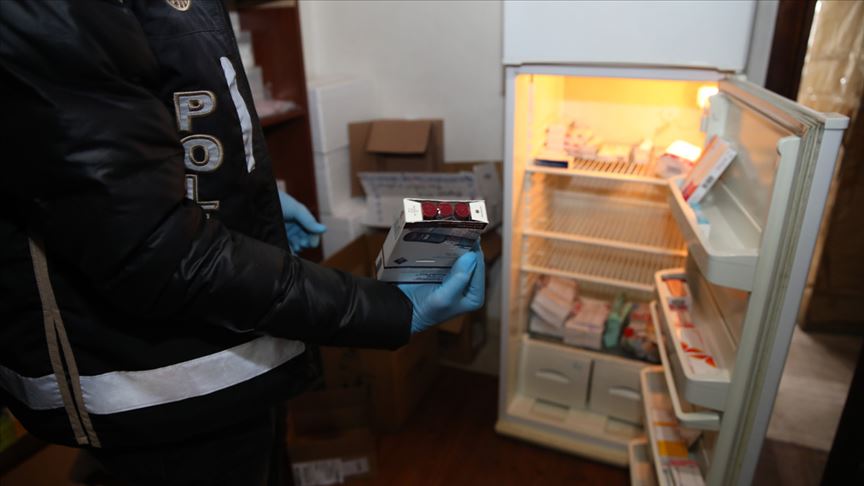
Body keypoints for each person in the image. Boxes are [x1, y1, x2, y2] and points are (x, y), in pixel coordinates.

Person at [0, 1, 484, 485]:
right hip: (155, 394)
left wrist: (247, 199)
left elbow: (163, 127)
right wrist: (388, 309)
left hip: (236, 365)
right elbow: (155, 250)